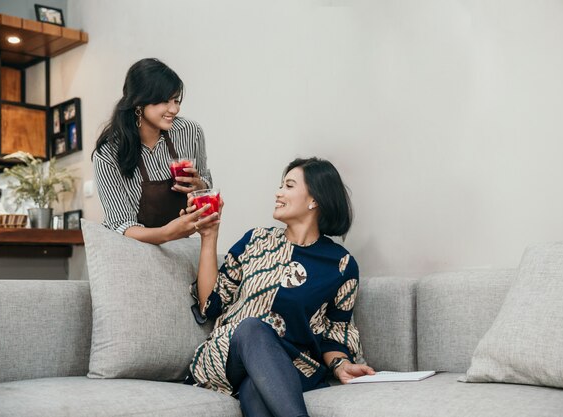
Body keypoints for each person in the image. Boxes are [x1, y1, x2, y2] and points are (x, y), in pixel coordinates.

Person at [185, 157, 375, 417]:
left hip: (294, 363)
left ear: (314, 199)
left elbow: (336, 331)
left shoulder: (341, 265)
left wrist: (341, 365)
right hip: (230, 353)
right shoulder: (255, 241)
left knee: (254, 389)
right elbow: (211, 305)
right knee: (252, 328)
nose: (278, 192)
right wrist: (209, 237)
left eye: (288, 186)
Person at [92, 58, 213, 244]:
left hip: (180, 247)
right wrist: (167, 233)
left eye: (176, 100)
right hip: (131, 252)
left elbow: (207, 188)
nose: (174, 109)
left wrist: (199, 186)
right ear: (139, 102)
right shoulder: (108, 154)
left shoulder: (189, 132)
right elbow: (120, 224)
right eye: (164, 101)